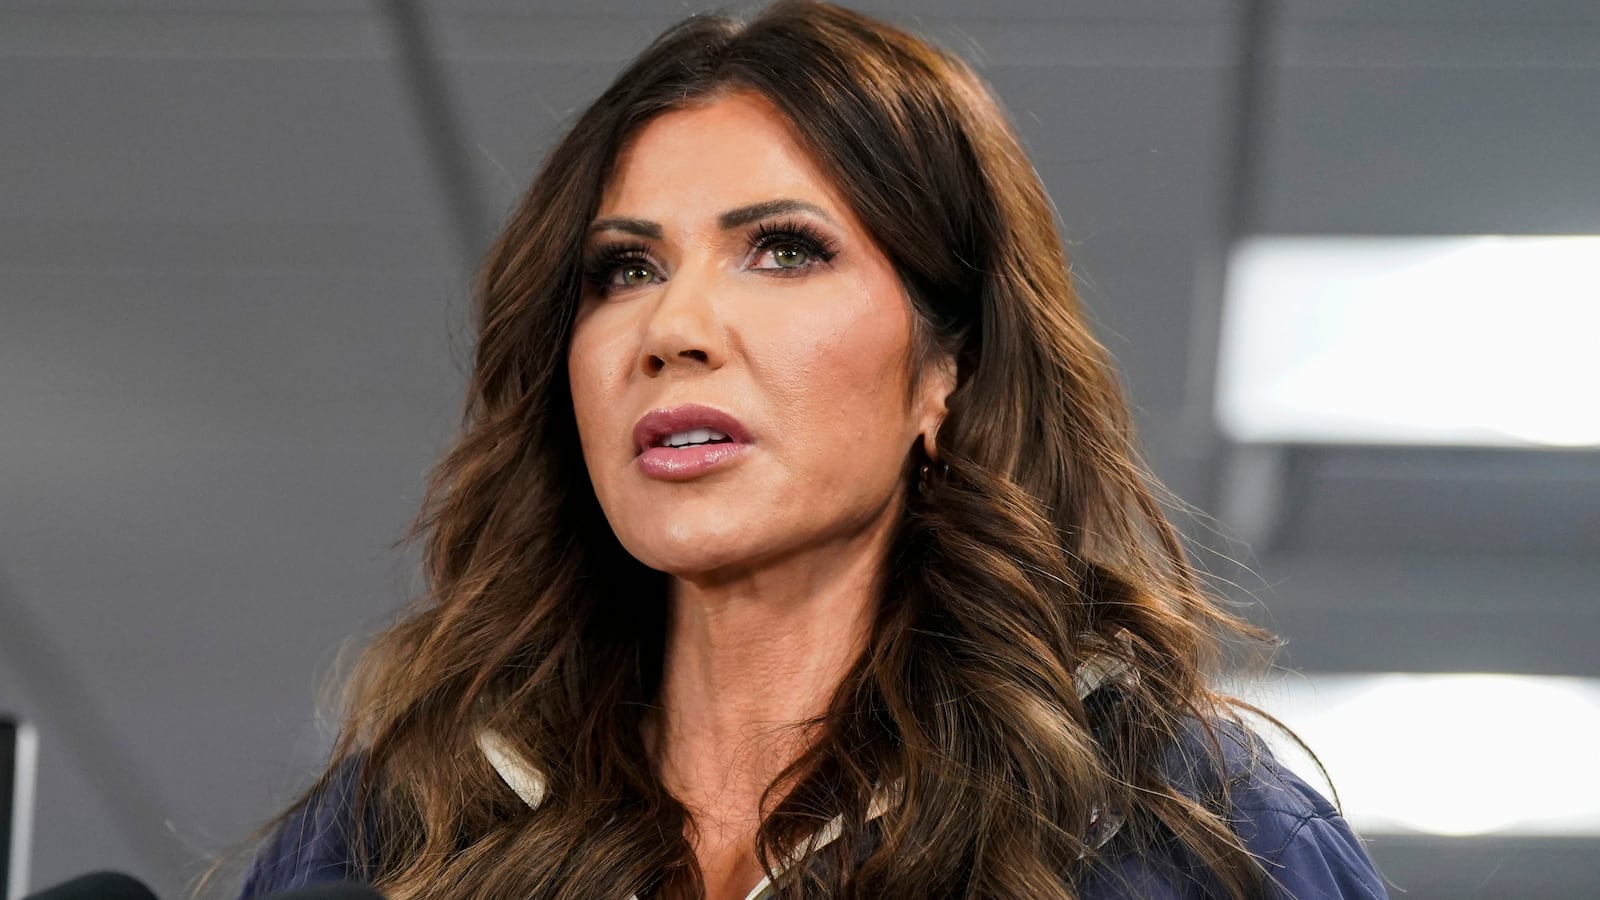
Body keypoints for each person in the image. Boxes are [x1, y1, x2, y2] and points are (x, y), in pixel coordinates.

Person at [239, 2, 1387, 898]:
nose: (673, 330)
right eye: (623, 270)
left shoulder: (1190, 836)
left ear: (951, 370)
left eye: (784, 251)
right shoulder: (395, 835)